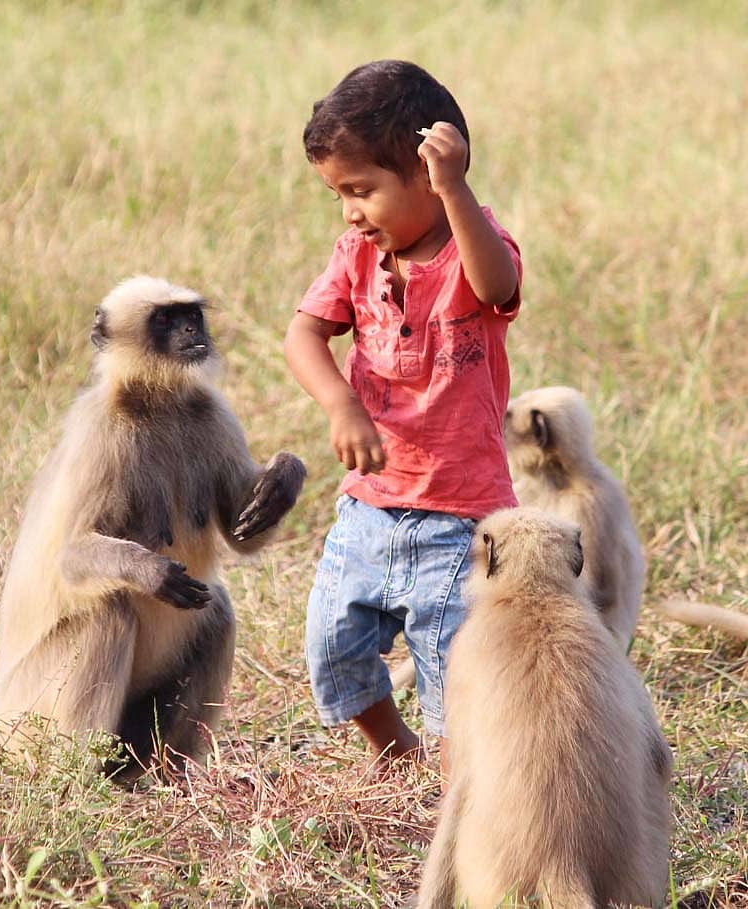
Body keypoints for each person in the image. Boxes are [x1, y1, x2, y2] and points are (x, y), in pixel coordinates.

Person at [284, 59, 523, 777]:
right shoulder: (356, 253)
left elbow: (497, 285)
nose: (351, 212)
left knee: (455, 671)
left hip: (459, 515)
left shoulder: (476, 247)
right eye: (339, 194)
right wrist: (340, 402)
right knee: (332, 642)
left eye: (362, 191)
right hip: (371, 505)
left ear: (427, 174)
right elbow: (302, 334)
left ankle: (462, 787)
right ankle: (393, 750)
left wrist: (457, 193)